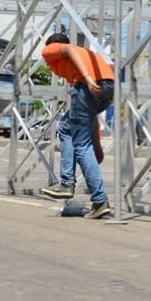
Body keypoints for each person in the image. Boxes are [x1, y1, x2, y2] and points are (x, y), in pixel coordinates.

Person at [38, 32, 115, 219]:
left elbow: (68, 48)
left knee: (80, 144)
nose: (48, 65)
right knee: (66, 128)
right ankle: (97, 201)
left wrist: (87, 79)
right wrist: (97, 144)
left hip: (86, 86)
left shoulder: (52, 49)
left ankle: (72, 186)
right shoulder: (87, 54)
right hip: (109, 88)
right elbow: (90, 116)